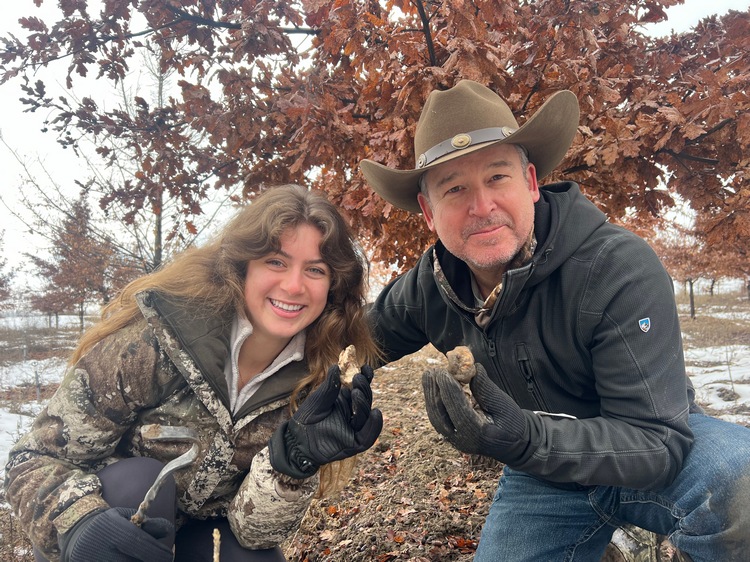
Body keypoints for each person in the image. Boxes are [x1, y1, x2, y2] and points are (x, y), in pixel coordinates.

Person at [360, 79, 750, 561]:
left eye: (497, 177)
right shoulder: (429, 286)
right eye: (454, 188)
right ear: (427, 211)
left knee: (743, 486)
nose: (481, 207)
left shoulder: (616, 267)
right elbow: (356, 342)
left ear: (530, 182)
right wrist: (323, 391)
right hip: (545, 477)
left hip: (656, 447)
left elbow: (658, 443)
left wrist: (524, 438)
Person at [5, 184, 383, 562]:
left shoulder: (317, 380)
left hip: (203, 536)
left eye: (315, 269)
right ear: (242, 266)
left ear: (333, 285)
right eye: (276, 262)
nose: (294, 285)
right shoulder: (156, 341)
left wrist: (292, 464)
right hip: (110, 527)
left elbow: (252, 532)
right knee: (137, 482)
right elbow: (32, 459)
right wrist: (80, 523)